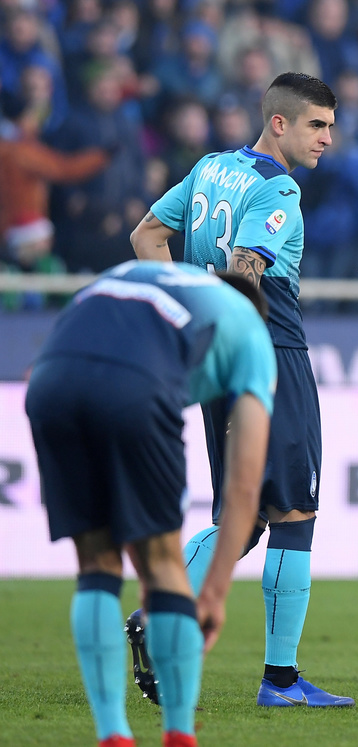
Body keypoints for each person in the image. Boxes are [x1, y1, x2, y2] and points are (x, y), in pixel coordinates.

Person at [129, 72, 353, 708]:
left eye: (331, 126)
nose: (327, 139)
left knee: (242, 517)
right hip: (268, 354)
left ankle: (158, 609)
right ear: (279, 123)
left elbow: (147, 236)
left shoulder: (210, 168)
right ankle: (280, 682)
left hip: (217, 360)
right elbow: (245, 271)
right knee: (294, 513)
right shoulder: (277, 187)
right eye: (316, 125)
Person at [25, 261, 276, 747]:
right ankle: (179, 735)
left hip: (50, 379)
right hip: (135, 386)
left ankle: (112, 736)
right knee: (163, 567)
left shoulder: (142, 274)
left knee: (96, 565)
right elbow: (245, 486)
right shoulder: (249, 327)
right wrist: (214, 593)